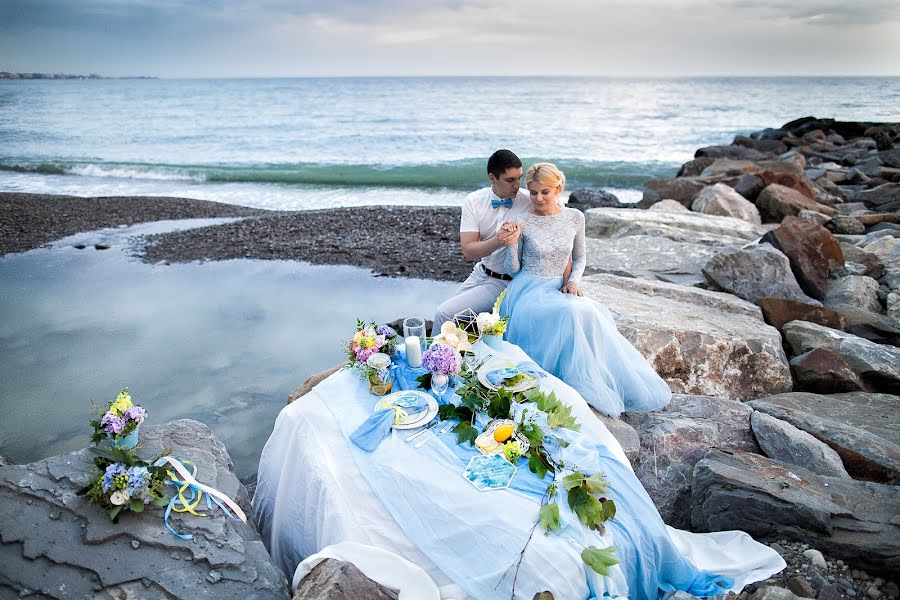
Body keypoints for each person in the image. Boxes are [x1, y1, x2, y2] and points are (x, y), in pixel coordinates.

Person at [501, 162, 672, 418]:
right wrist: (511, 244)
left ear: (558, 188)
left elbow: (579, 258)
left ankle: (594, 379)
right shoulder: (521, 221)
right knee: (570, 313)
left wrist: (574, 282)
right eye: (533, 192)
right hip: (528, 291)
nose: (538, 198)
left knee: (591, 312)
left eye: (545, 192)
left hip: (561, 286)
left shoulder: (574, 217)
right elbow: (513, 269)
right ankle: (562, 382)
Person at [431, 149, 531, 336]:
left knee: (444, 314)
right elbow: (468, 251)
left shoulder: (529, 201)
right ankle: (447, 360)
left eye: (519, 178)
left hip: (507, 282)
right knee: (453, 324)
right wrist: (498, 240)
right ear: (492, 178)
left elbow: (556, 215)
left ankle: (434, 361)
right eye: (510, 180)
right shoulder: (474, 201)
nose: (517, 185)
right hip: (480, 273)